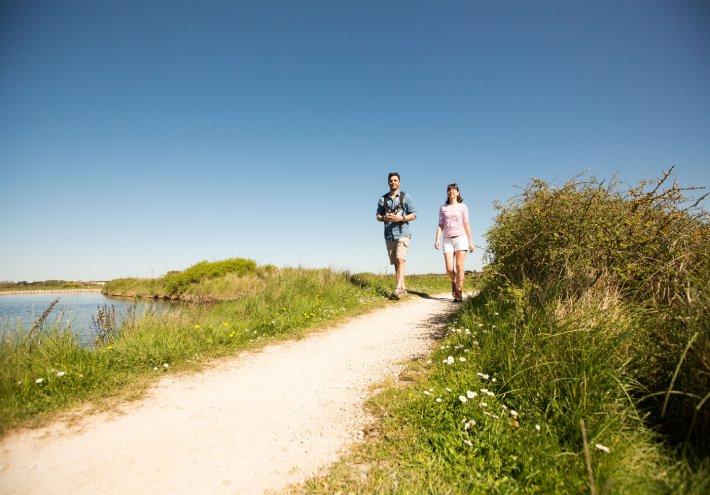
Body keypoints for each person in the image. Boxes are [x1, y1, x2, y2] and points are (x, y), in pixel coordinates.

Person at [376, 172, 417, 297]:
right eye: (391, 180)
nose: (393, 182)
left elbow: (414, 214)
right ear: (388, 182)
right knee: (396, 262)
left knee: (400, 259)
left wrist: (401, 218)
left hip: (403, 233)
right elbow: (377, 216)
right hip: (389, 235)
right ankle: (402, 287)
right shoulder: (383, 199)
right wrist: (384, 217)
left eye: (395, 180)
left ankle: (398, 288)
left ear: (399, 182)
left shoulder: (405, 197)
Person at [434, 183, 474, 302]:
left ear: (458, 192)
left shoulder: (463, 207)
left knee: (459, 265)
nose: (451, 192)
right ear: (447, 193)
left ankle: (458, 292)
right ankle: (455, 281)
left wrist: (471, 241)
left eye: (453, 190)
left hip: (461, 238)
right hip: (447, 240)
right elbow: (440, 225)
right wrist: (437, 239)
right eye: (449, 190)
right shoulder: (443, 208)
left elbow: (466, 224)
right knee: (449, 268)